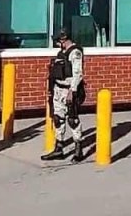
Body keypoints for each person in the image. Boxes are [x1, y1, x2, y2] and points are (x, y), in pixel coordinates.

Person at [41, 29, 86, 163]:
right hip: (58, 89)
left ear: (64, 39)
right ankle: (58, 149)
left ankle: (78, 149)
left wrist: (72, 91)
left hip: (69, 90)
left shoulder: (75, 52)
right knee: (58, 118)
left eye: (57, 41)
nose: (56, 44)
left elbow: (78, 73)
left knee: (72, 119)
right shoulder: (61, 53)